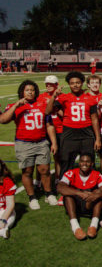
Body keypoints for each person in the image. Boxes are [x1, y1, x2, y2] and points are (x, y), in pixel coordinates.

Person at [0, 80, 58, 209]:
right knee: (27, 171)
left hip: (42, 142)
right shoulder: (15, 105)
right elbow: (3, 120)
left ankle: (48, 194)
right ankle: (32, 197)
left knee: (45, 170)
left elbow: (49, 125)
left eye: (32, 90)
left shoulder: (42, 104)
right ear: (22, 92)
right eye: (27, 90)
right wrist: (16, 105)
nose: (30, 92)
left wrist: (53, 142)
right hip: (24, 143)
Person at [47, 72, 101, 178]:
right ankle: (65, 187)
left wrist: (98, 139)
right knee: (66, 162)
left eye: (78, 82)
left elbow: (94, 119)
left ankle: (88, 186)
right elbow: (48, 111)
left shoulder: (90, 99)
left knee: (89, 162)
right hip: (69, 134)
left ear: (82, 83)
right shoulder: (64, 98)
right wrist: (53, 96)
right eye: (72, 83)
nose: (75, 85)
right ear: (69, 84)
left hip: (86, 134)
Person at [57, 153, 102, 240]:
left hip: (89, 204)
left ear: (92, 163)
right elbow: (60, 187)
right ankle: (75, 227)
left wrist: (96, 194)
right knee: (67, 196)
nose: (84, 164)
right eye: (82, 161)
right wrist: (79, 193)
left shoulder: (97, 174)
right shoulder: (71, 173)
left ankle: (93, 225)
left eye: (87, 162)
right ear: (79, 162)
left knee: (99, 194)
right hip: (75, 205)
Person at [0, 159, 17, 239]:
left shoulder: (7, 182)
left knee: (8, 221)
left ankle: (3, 229)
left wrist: (3, 220)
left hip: (5, 212)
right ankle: (3, 232)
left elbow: (10, 205)